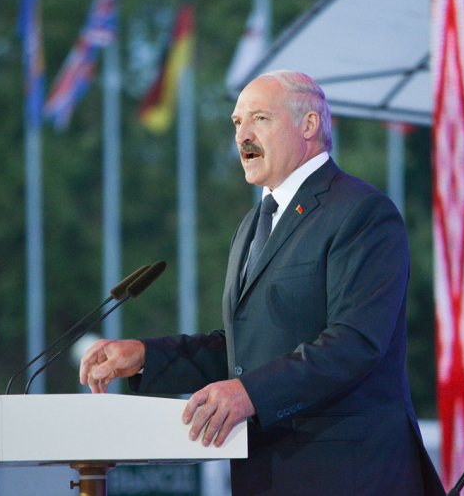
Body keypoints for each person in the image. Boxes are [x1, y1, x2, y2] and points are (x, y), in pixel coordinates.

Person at [80, 70, 445, 495]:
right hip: (267, 473)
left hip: (348, 474)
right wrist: (147, 357)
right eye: (237, 123)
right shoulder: (254, 224)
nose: (243, 136)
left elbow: (354, 343)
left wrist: (249, 393)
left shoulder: (361, 212)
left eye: (260, 119)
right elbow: (244, 353)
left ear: (308, 125)